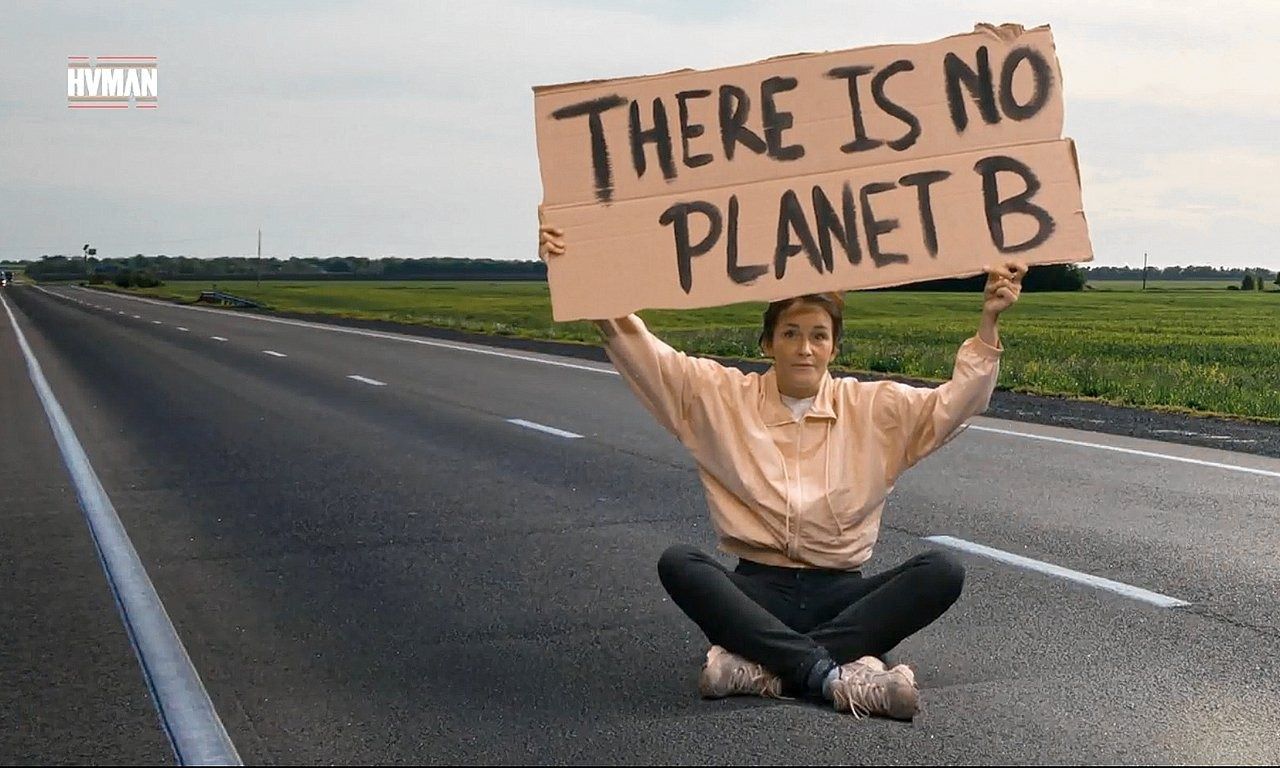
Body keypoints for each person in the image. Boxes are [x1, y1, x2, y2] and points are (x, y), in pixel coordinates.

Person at [539, 214, 1026, 720]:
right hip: (756, 592)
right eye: (790, 333)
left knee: (942, 571)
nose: (804, 347)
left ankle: (765, 665)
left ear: (834, 347)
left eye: (818, 335)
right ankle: (837, 675)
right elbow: (645, 354)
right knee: (680, 564)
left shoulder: (875, 408)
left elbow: (955, 405)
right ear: (767, 343)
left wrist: (989, 323)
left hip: (843, 592)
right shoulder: (720, 396)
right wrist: (578, 267)